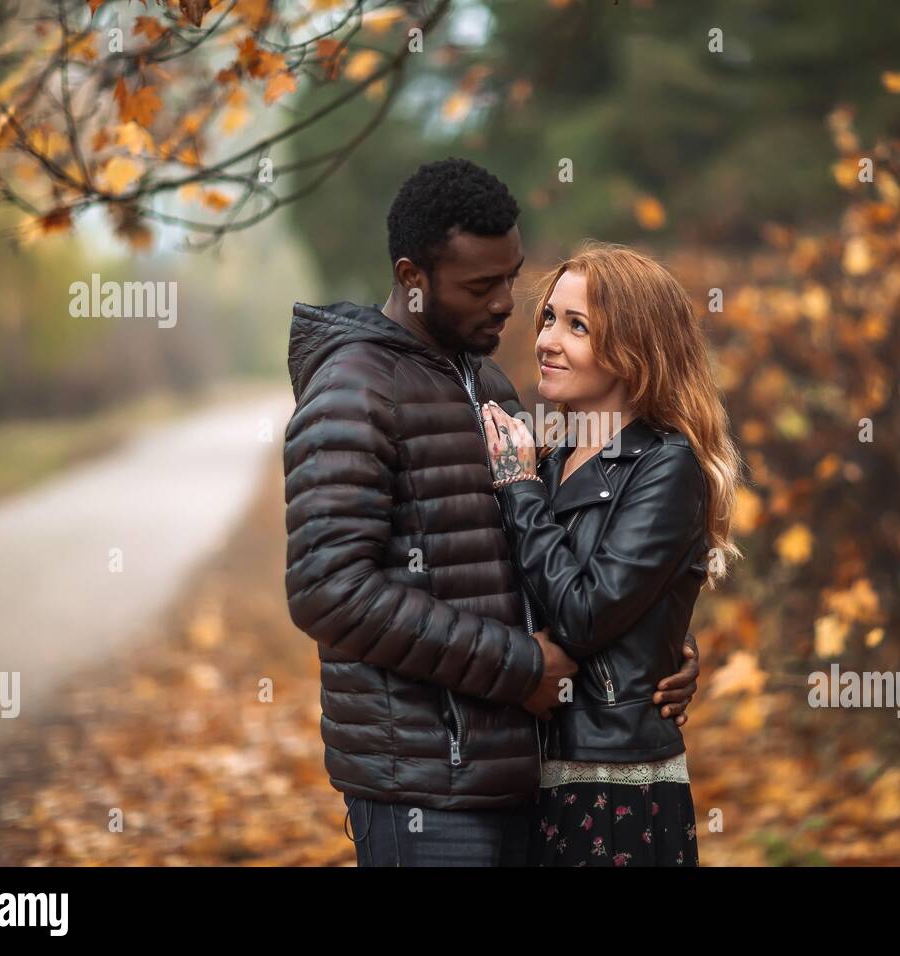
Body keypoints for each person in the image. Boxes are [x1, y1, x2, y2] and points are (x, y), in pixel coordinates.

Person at [282, 158, 701, 866]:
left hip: (523, 777)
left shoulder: (490, 385)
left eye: (512, 277)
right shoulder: (354, 390)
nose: (509, 303)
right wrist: (517, 667)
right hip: (423, 788)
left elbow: (547, 561)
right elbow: (329, 589)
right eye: (482, 286)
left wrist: (650, 647)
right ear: (413, 278)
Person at [481, 242, 742, 866]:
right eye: (549, 317)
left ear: (635, 351)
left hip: (612, 784)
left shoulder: (666, 465)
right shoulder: (546, 453)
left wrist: (516, 491)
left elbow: (584, 614)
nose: (547, 339)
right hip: (532, 774)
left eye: (578, 327)